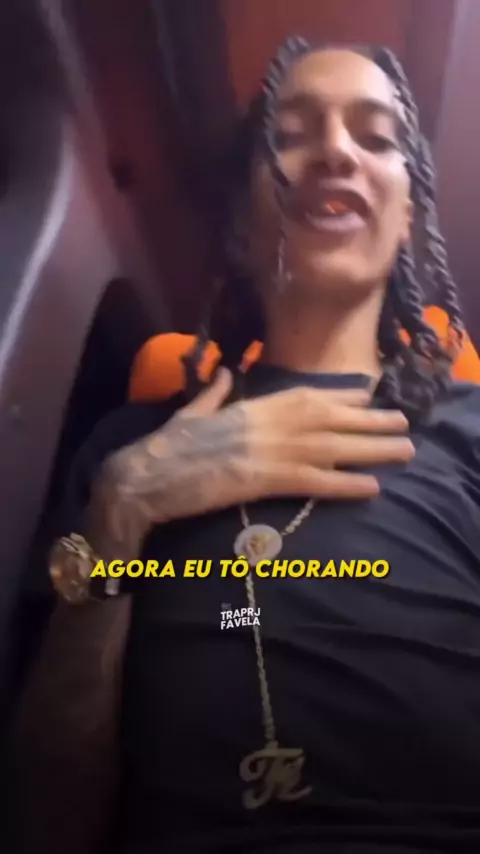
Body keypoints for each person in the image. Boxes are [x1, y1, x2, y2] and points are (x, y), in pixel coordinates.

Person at [15, 39, 480, 854]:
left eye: (376, 137)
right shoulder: (130, 450)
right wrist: (120, 516)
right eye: (293, 134)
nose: (336, 151)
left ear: (409, 215)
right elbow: (40, 824)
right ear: (241, 217)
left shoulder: (472, 432)